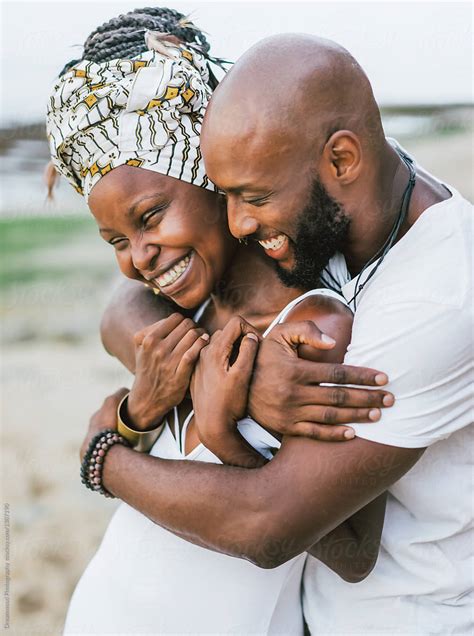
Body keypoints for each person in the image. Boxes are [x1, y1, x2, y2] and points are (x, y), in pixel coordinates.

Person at [93, 34, 473, 635]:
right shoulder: (354, 192)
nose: (240, 222)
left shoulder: (435, 299)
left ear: (343, 161)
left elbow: (271, 526)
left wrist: (102, 457)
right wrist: (221, 368)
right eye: (228, 196)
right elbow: (124, 304)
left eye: (255, 198)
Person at [47, 11, 391, 634]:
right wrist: (136, 414)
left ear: (212, 174)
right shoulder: (187, 309)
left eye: (150, 217)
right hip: (104, 612)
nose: (137, 258)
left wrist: (213, 431)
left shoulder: (309, 323)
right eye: (114, 240)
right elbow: (117, 326)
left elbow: (352, 549)